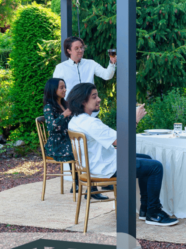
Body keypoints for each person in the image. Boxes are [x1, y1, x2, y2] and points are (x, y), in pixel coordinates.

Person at [67, 82, 178, 226]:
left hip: (94, 165)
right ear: (82, 101)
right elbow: (121, 141)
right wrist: (135, 120)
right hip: (105, 168)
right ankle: (154, 212)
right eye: (94, 97)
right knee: (155, 167)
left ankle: (145, 209)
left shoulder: (75, 121)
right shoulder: (90, 123)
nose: (99, 99)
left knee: (147, 159)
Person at [42, 78, 110, 199]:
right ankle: (89, 188)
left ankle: (95, 181)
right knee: (81, 149)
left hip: (68, 139)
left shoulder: (66, 103)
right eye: (61, 87)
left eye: (64, 87)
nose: (64, 90)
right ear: (53, 90)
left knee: (87, 145)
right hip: (57, 144)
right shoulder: (49, 107)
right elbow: (51, 127)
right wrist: (64, 114)